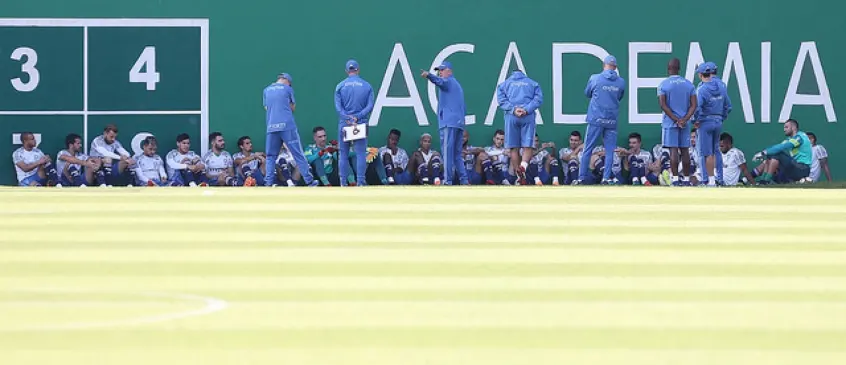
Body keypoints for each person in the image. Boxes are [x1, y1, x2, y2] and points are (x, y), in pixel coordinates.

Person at [577, 55, 626, 185]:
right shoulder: (621, 82)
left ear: (604, 65)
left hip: (596, 118)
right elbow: (619, 96)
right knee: (610, 151)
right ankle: (606, 178)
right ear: (615, 67)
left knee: (588, 148)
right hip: (612, 120)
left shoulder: (595, 78)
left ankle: (581, 178)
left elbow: (587, 93)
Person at [263, 72, 317, 187]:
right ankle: (309, 181)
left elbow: (266, 107)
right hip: (287, 126)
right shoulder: (287, 89)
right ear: (287, 81)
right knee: (298, 153)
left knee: (271, 156)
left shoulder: (266, 90)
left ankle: (268, 182)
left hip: (271, 127)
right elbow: (292, 107)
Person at [421, 61, 468, 185]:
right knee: (457, 154)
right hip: (458, 123)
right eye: (439, 71)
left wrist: (429, 75)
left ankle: (447, 180)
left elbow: (440, 82)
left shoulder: (449, 82)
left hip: (448, 123)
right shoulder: (457, 85)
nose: (440, 73)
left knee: (447, 153)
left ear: (449, 71)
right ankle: (464, 180)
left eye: (442, 70)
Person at [496, 69, 543, 185]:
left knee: (513, 148)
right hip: (528, 116)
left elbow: (501, 100)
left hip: (511, 117)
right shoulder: (533, 83)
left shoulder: (504, 84)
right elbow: (538, 99)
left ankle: (518, 177)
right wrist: (526, 109)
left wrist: (514, 109)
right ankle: (523, 166)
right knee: (528, 146)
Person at [335, 59, 375, 187]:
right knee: (361, 153)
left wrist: (348, 117)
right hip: (360, 122)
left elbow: (338, 107)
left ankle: (342, 183)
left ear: (347, 71)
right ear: (358, 69)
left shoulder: (340, 86)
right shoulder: (367, 86)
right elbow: (370, 106)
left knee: (343, 154)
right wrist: (357, 117)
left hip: (345, 122)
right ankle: (361, 182)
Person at [658, 58, 697, 185]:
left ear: (668, 68)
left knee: (673, 150)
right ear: (679, 68)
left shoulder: (663, 84)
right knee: (685, 150)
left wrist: (675, 119)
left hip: (670, 122)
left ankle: (675, 179)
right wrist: (684, 119)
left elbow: (663, 105)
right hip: (685, 123)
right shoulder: (689, 84)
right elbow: (694, 105)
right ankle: (686, 179)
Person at [694, 62, 732, 186]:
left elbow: (697, 107)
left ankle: (708, 180)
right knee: (716, 150)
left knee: (705, 153)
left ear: (700, 75)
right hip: (718, 120)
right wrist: (721, 117)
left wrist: (696, 120)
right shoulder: (721, 86)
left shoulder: (702, 88)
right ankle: (719, 179)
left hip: (705, 121)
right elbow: (728, 106)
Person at [752, 119, 812, 184]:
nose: (784, 129)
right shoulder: (790, 139)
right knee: (770, 155)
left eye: (786, 127)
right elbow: (778, 146)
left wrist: (763, 153)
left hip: (802, 169)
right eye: (784, 127)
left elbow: (784, 146)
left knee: (777, 154)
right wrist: (765, 153)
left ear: (794, 128)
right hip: (794, 168)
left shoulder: (800, 137)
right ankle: (762, 181)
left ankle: (766, 181)